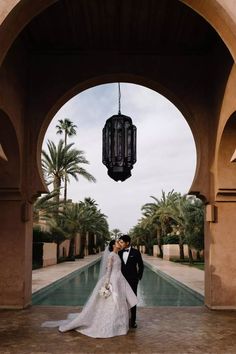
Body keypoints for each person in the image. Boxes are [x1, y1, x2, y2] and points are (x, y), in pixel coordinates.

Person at [42, 239, 137, 338]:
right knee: (113, 302)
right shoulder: (111, 255)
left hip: (119, 281)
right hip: (112, 281)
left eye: (121, 242)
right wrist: (107, 283)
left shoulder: (117, 255)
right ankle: (111, 324)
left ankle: (119, 324)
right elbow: (108, 270)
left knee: (119, 302)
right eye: (118, 242)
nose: (120, 244)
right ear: (113, 245)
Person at [118, 234, 144, 328]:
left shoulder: (136, 252)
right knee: (121, 300)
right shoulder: (119, 253)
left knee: (132, 300)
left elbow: (141, 266)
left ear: (127, 243)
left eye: (122, 242)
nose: (120, 244)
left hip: (132, 280)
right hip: (120, 280)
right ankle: (122, 320)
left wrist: (138, 277)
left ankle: (133, 321)